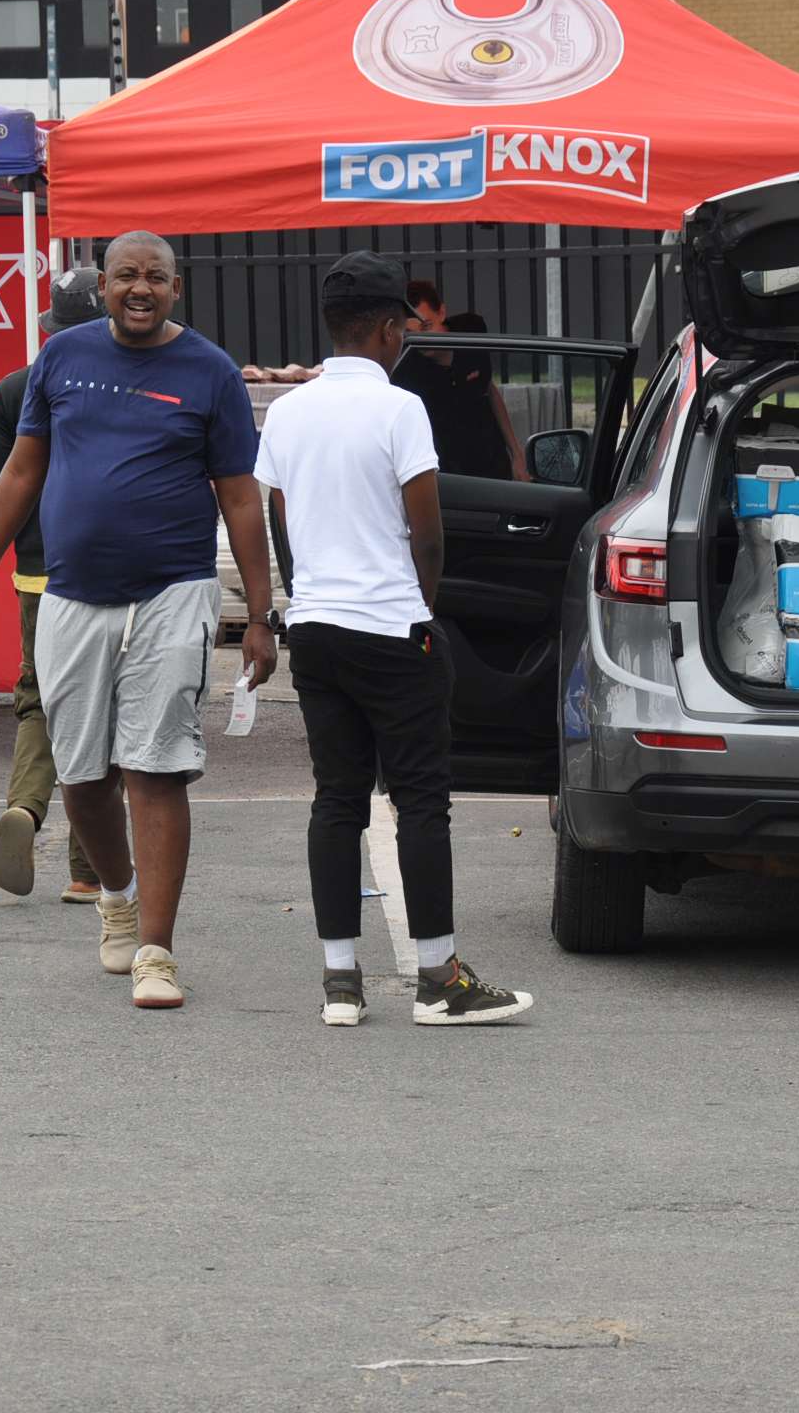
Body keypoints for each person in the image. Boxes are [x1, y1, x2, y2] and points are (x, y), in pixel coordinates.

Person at [0, 231, 277, 1010]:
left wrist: (262, 614)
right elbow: (22, 470)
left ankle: (156, 953)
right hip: (70, 595)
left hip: (172, 594)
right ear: (102, 286)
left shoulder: (209, 370)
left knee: (155, 768)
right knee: (82, 776)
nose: (141, 288)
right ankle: (117, 897)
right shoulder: (62, 359)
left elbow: (241, 497)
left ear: (176, 288)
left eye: (155, 277)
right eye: (126, 275)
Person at [254, 251, 534, 1028]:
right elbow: (429, 531)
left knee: (336, 800)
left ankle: (340, 981)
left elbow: (278, 513)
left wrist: (303, 591)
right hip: (389, 626)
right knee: (420, 802)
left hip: (316, 630)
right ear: (387, 328)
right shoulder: (400, 407)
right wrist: (422, 611)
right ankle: (440, 979)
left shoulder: (290, 411)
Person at [0, 265, 107, 902]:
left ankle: (25, 807)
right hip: (108, 574)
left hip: (35, 573)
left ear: (49, 328)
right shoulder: (122, 385)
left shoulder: (14, 388)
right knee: (100, 709)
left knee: (38, 699)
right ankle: (88, 870)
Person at [390, 278, 525, 482]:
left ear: (442, 312)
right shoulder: (405, 369)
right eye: (410, 334)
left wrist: (517, 454)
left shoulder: (472, 333)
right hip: (446, 478)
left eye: (427, 326)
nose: (421, 339)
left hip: (494, 466)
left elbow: (488, 389)